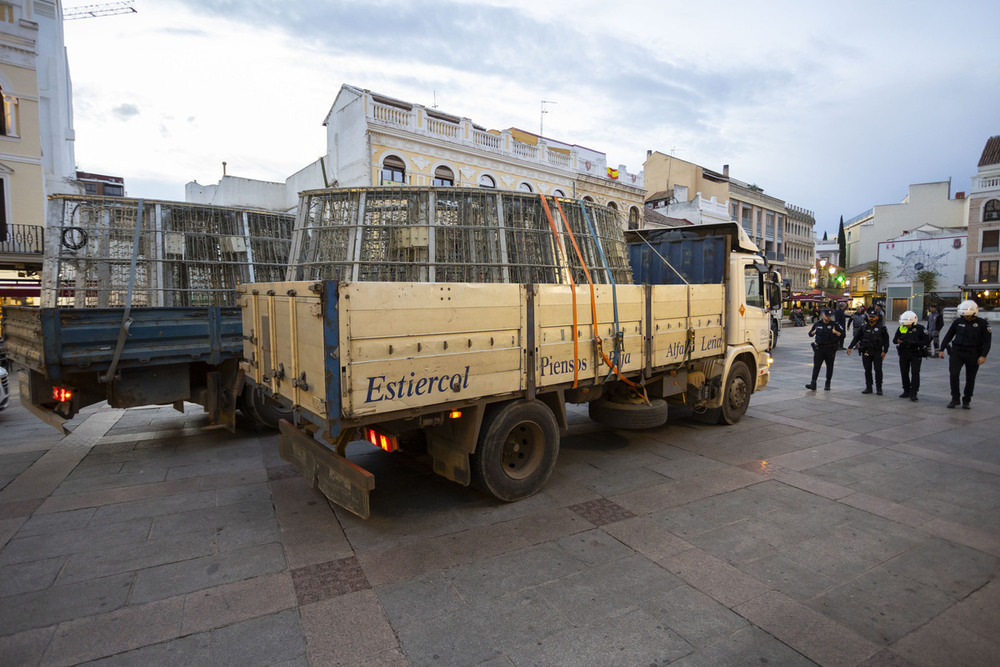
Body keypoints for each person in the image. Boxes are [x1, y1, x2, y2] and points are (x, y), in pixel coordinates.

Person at [938, 300, 992, 409]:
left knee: (970, 378)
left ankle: (967, 399)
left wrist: (983, 355)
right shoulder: (958, 322)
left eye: (968, 316)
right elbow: (949, 335)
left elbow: (987, 341)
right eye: (964, 315)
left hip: (973, 353)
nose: (966, 317)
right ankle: (955, 398)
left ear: (974, 313)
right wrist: (942, 349)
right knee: (953, 374)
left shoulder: (982, 324)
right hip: (957, 352)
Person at [847, 308, 889, 394]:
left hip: (877, 351)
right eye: (870, 316)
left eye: (873, 317)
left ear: (877, 317)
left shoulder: (882, 328)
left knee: (878, 369)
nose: (871, 318)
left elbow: (886, 340)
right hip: (866, 351)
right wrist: (850, 347)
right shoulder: (863, 327)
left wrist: (885, 351)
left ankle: (879, 388)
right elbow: (856, 338)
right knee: (867, 370)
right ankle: (868, 387)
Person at [893, 310, 930, 402]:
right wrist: (899, 340)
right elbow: (894, 340)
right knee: (904, 372)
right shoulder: (901, 328)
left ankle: (914, 393)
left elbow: (926, 341)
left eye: (908, 324)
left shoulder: (921, 329)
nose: (906, 326)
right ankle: (906, 390)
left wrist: (912, 342)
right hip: (904, 353)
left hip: (915, 353)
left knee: (915, 373)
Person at [805, 308, 844, 391]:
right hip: (819, 348)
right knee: (816, 366)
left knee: (830, 367)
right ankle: (813, 383)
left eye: (830, 316)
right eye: (827, 316)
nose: (828, 317)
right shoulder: (817, 324)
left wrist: (836, 332)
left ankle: (828, 383)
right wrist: (813, 332)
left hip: (830, 349)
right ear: (823, 315)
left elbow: (842, 335)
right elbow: (810, 334)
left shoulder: (835, 324)